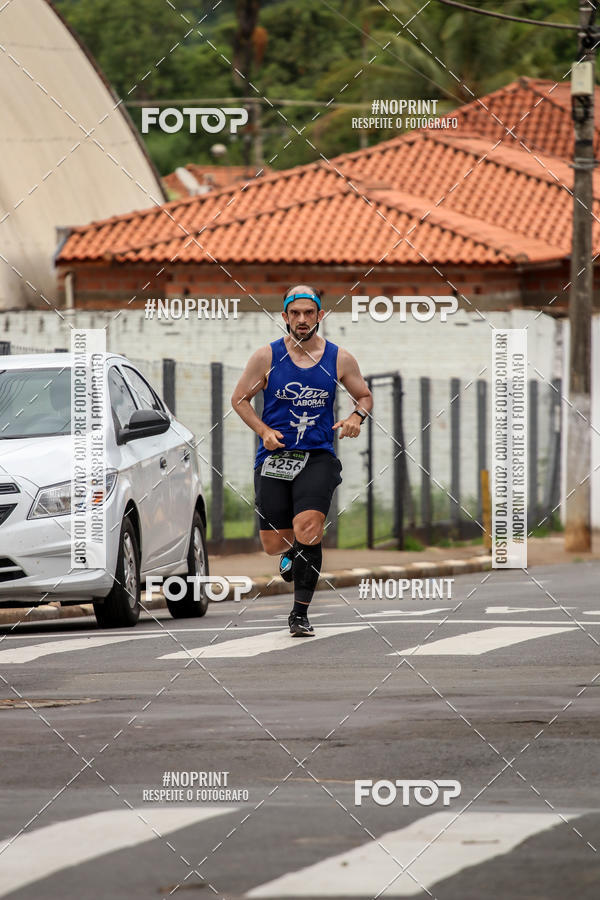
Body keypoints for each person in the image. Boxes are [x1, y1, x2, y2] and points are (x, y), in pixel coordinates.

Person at [231, 285, 373, 636]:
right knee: (274, 544)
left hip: (318, 456)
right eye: (295, 314)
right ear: (285, 318)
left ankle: (299, 614)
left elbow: (365, 396)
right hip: (275, 456)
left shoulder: (339, 359)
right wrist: (263, 431)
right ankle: (293, 553)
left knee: (309, 527)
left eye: (309, 313)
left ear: (319, 316)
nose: (302, 320)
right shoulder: (266, 357)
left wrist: (356, 417)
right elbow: (239, 400)